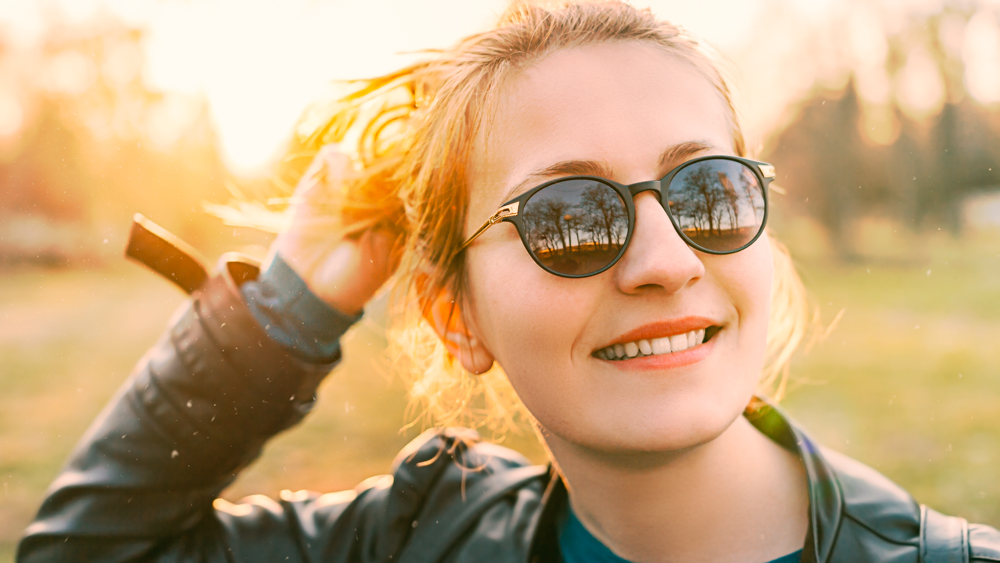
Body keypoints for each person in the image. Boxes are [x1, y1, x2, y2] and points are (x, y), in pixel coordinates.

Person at [16, 2, 1000, 562]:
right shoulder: (417, 540)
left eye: (705, 191)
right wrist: (283, 310)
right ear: (458, 315)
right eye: (568, 218)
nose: (665, 261)